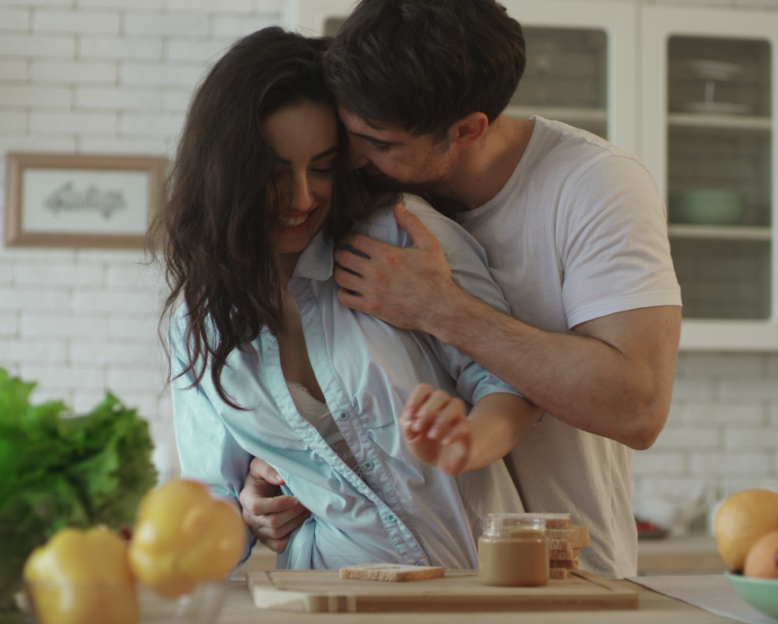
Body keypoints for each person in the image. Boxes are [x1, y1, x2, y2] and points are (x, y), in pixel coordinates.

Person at [241, 0, 682, 578]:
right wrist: (270, 476)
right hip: (418, 580)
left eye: (378, 142)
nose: (351, 159)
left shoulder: (593, 186)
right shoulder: (358, 202)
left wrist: (444, 310)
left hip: (568, 574)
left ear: (468, 130)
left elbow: (638, 407)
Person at [159, 26, 540, 571]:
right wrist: (244, 514)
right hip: (329, 590)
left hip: (476, 583)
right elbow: (212, 494)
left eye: (322, 166)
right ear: (225, 174)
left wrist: (468, 444)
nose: (303, 196)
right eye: (272, 173)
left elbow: (511, 382)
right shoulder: (200, 325)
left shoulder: (400, 236)